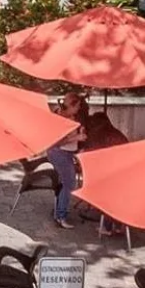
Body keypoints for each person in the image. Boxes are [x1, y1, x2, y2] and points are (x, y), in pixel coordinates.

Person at [46, 92, 87, 229]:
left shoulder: (67, 115)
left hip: (66, 153)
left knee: (66, 183)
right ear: (71, 106)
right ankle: (61, 217)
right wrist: (77, 138)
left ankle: (59, 211)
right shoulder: (59, 119)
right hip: (59, 153)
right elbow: (56, 142)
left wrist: (78, 131)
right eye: (77, 106)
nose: (79, 109)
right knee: (69, 183)